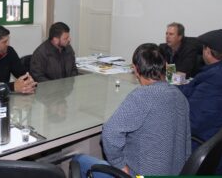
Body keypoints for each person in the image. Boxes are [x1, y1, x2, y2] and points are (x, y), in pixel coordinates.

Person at [73, 43, 191, 177]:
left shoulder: (143, 96)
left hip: (139, 175)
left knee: (78, 161)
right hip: (175, 172)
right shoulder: (180, 96)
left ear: (135, 69)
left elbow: (109, 133)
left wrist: (120, 166)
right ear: (165, 67)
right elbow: (186, 144)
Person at [178, 29, 222, 174]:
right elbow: (194, 89)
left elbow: (191, 122)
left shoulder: (219, 80)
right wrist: (171, 91)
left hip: (206, 151)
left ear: (208, 51)